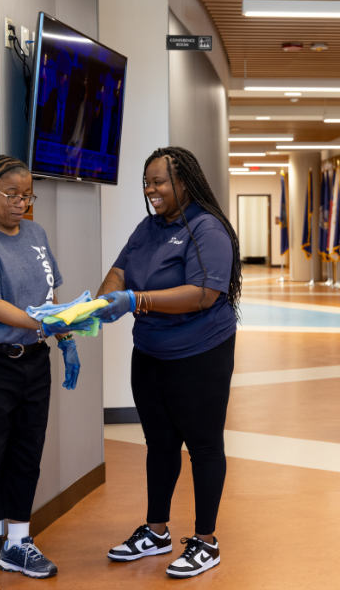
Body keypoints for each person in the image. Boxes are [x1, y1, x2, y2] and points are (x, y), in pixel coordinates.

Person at [95, 147, 240, 579]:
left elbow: (203, 294)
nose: (151, 190)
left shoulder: (206, 229)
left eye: (160, 181)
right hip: (151, 352)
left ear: (185, 184)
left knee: (204, 445)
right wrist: (103, 301)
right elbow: (121, 269)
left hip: (200, 353)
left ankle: (206, 541)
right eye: (147, 181)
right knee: (159, 443)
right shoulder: (150, 227)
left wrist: (136, 300)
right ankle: (156, 531)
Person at [0, 155, 92, 590]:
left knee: (26, 454)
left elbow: (50, 293)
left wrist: (64, 338)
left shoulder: (35, 234)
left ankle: (16, 544)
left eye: (27, 196)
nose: (21, 203)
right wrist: (44, 324)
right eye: (11, 194)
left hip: (33, 361)